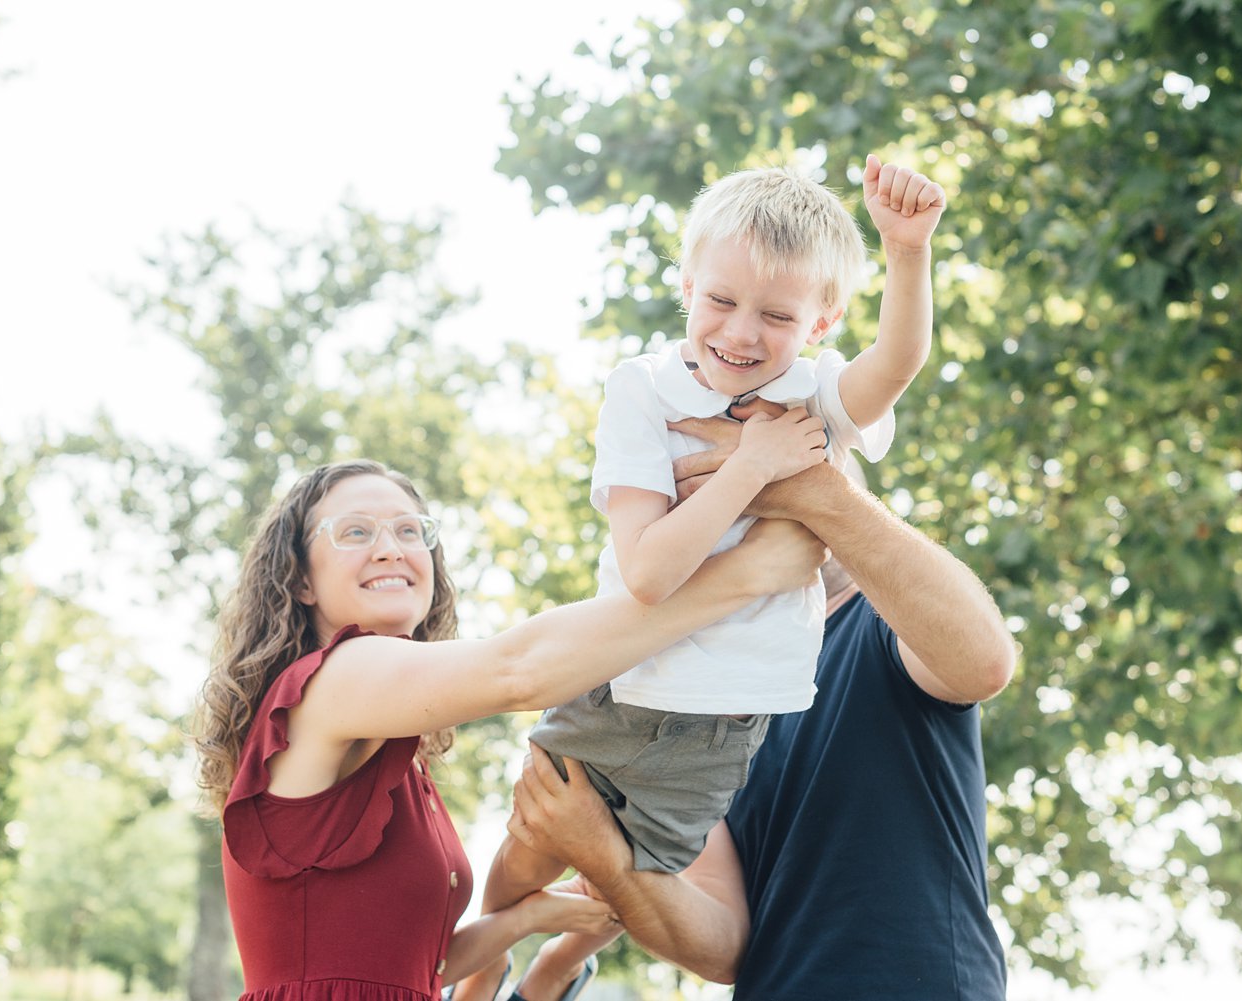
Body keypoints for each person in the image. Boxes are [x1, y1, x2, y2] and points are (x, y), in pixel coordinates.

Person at [456, 153, 947, 1001]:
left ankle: (557, 974)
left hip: (723, 730)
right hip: (624, 684)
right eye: (720, 300)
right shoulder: (645, 389)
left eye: (777, 314)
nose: (742, 333)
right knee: (522, 860)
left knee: (621, 886)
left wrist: (908, 253)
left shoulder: (814, 394)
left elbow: (894, 365)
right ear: (686, 284)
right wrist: (752, 465)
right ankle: (476, 988)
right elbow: (649, 573)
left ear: (822, 321)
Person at [192, 458, 826, 1001]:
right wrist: (746, 574)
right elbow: (519, 671)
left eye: (410, 531)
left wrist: (531, 917)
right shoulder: (334, 679)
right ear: (300, 579)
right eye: (355, 531)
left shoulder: (389, 753)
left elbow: (414, 968)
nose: (390, 547)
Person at [505, 412, 1016, 1000]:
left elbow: (983, 662)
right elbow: (723, 945)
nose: (765, 478)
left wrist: (817, 493)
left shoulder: (883, 625)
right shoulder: (692, 702)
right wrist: (605, 859)